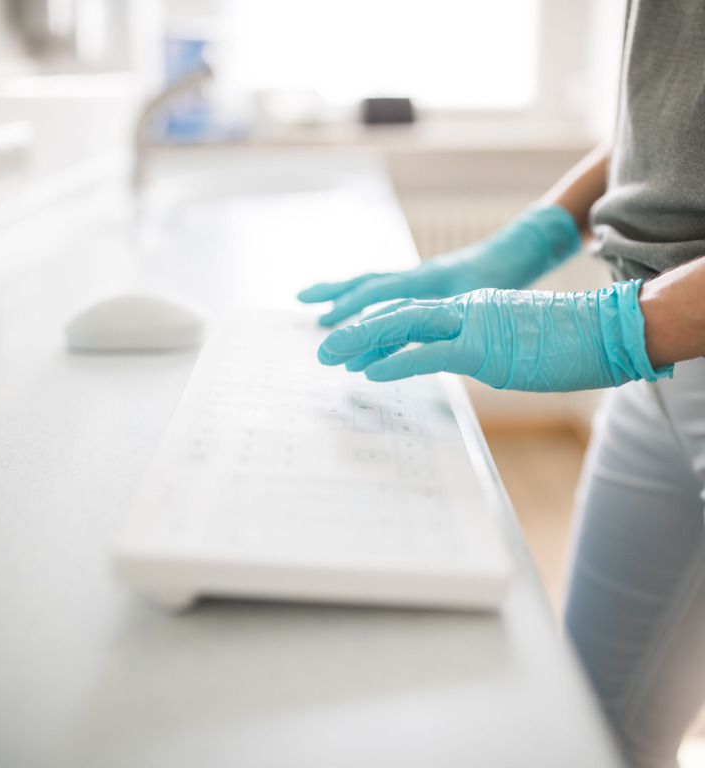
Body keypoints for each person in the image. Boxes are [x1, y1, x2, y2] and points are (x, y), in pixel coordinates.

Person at [298, 2, 705, 766]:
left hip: (655, 327)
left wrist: (619, 329)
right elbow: (672, 105)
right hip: (656, 359)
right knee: (594, 727)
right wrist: (529, 239)